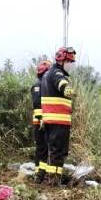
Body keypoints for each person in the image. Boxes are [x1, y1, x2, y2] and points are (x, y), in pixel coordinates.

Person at [40, 46, 77, 185]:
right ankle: (54, 182)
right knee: (58, 152)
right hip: (58, 121)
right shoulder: (56, 73)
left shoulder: (48, 74)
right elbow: (61, 83)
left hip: (51, 120)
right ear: (62, 61)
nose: (71, 65)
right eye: (69, 62)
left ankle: (52, 180)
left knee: (53, 151)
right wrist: (67, 89)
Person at [32, 60, 52, 184]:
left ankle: (41, 174)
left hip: (43, 122)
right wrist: (41, 120)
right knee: (42, 149)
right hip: (40, 123)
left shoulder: (42, 84)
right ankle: (39, 175)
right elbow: (37, 104)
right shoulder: (38, 85)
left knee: (43, 149)